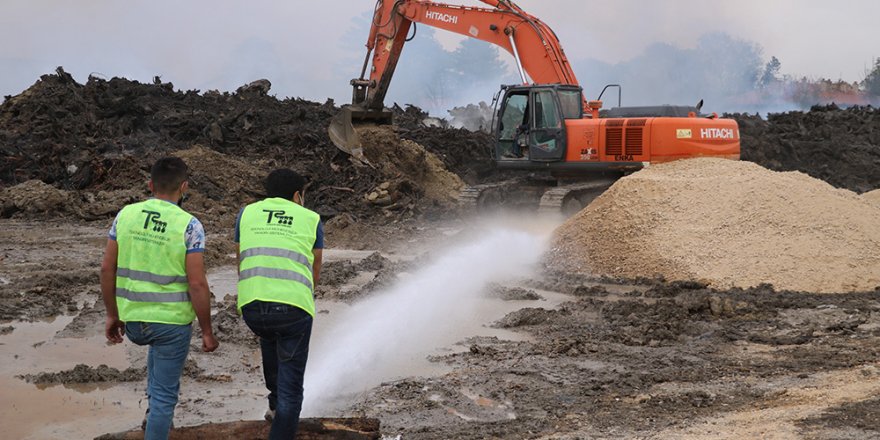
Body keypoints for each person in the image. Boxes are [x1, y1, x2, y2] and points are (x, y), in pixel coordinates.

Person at [100, 156, 218, 440]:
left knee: (157, 367)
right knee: (166, 398)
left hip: (134, 320)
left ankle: (150, 420)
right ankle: (157, 423)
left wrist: (112, 314)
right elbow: (197, 283)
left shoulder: (125, 215)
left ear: (150, 184)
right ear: (185, 188)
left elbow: (106, 268)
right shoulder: (190, 225)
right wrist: (206, 331)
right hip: (170, 324)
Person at [235, 168, 323, 439]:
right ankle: (281, 418)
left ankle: (273, 406)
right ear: (298, 196)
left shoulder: (246, 214)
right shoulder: (311, 218)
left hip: (252, 305)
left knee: (269, 335)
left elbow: (240, 260)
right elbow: (314, 271)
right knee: (292, 390)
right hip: (293, 309)